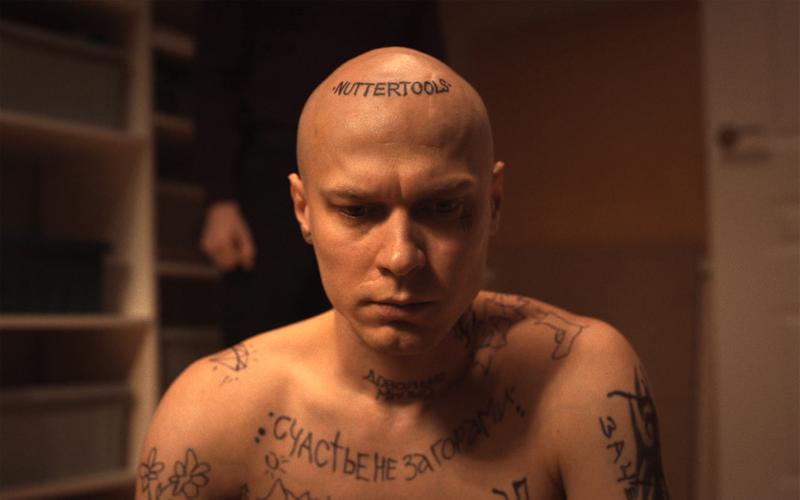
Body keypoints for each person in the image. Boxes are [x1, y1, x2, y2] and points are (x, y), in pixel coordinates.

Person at [139, 47, 669, 500]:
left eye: (442, 208)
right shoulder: (210, 413)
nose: (400, 257)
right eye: (357, 210)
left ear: (493, 204)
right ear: (303, 210)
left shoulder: (583, 379)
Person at [196, 1, 444, 346]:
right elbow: (215, 78)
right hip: (271, 161)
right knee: (265, 327)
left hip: (385, 153)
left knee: (375, 319)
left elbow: (430, 69)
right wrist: (220, 198)